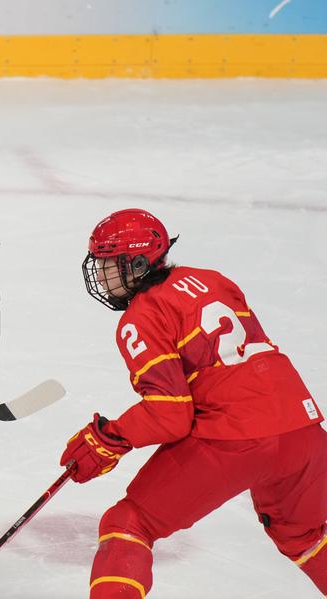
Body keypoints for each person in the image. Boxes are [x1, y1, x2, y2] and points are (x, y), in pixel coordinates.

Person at [60, 208, 326, 597]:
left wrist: (109, 438)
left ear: (136, 262)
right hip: (304, 431)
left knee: (129, 522)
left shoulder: (142, 315)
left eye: (108, 264)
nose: (100, 274)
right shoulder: (212, 280)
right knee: (303, 537)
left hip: (235, 437)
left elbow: (171, 414)